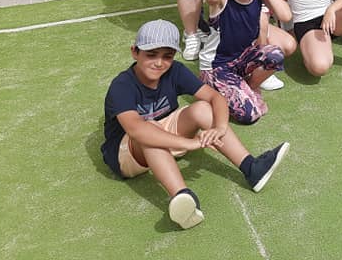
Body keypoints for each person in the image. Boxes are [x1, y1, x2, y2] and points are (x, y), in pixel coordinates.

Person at [101, 19, 289, 230]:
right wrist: (188, 143)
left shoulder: (175, 71)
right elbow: (137, 129)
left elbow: (215, 98)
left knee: (202, 108)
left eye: (167, 56)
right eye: (151, 54)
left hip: (162, 133)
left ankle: (251, 168)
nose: (159, 63)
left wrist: (219, 127)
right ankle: (184, 199)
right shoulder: (122, 85)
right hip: (126, 153)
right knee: (149, 131)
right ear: (135, 52)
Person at [201, 0, 293, 123]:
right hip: (217, 67)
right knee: (249, 115)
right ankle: (213, 90)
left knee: (275, 54)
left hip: (242, 59)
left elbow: (286, 15)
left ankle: (249, 87)